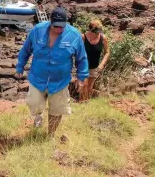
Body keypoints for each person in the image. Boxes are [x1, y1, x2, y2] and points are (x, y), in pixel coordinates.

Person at [15, 7, 89, 137]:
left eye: (62, 26)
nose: (59, 29)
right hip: (38, 78)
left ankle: (51, 135)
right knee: (35, 103)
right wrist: (20, 66)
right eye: (56, 26)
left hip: (60, 81)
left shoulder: (74, 35)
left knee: (57, 109)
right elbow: (26, 49)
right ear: (50, 21)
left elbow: (81, 58)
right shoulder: (37, 30)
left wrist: (81, 77)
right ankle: (38, 117)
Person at [80, 20, 110, 101]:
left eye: (99, 32)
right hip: (83, 66)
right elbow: (76, 51)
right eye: (96, 32)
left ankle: (86, 106)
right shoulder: (83, 37)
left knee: (89, 88)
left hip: (94, 66)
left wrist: (102, 64)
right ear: (90, 30)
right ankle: (81, 104)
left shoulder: (103, 38)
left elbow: (107, 52)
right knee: (84, 87)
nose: (97, 34)